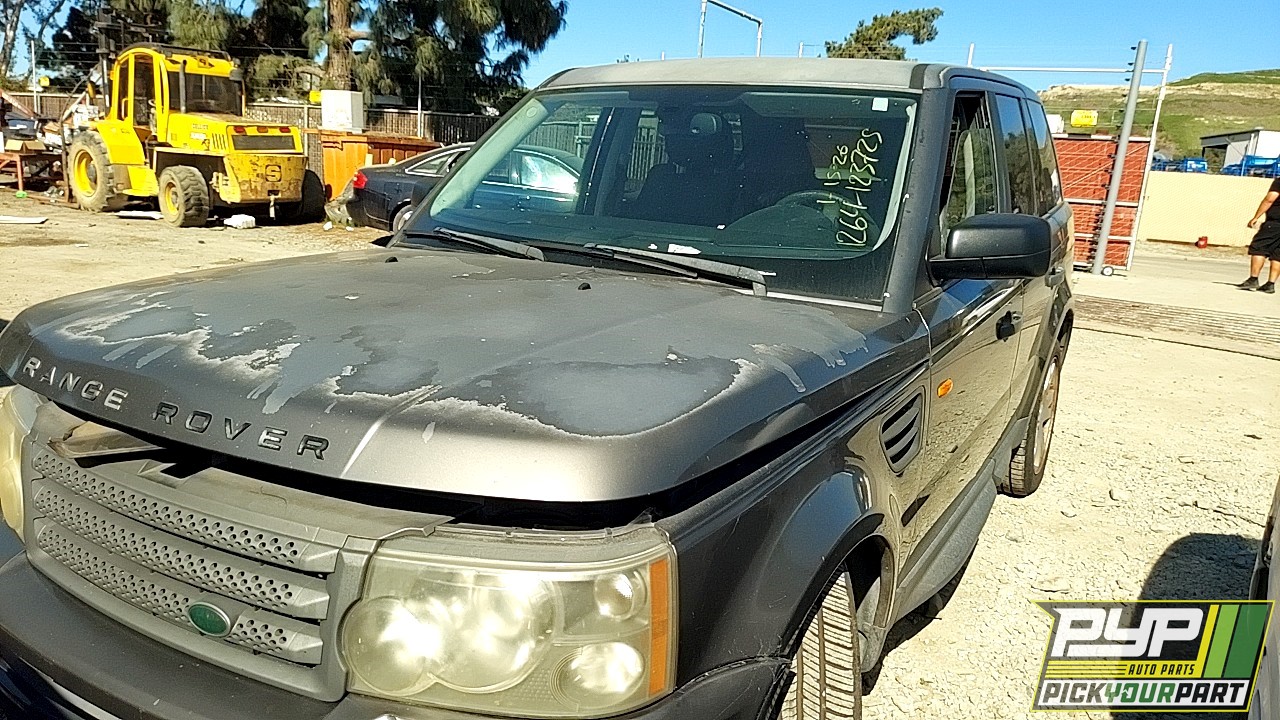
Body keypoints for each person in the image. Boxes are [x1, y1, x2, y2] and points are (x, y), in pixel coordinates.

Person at [1239, 176, 1280, 293]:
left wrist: (1256, 217)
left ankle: (1253, 279)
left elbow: (1270, 199)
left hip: (1275, 222)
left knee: (1259, 247)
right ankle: (1270, 283)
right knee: (1278, 253)